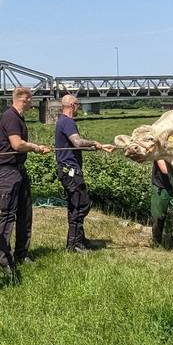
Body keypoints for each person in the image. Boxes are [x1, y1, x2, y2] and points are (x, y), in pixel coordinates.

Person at [0, 87, 52, 278]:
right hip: (7, 171)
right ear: (23, 99)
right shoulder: (10, 117)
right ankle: (4, 259)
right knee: (8, 216)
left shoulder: (18, 117)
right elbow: (17, 144)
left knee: (25, 214)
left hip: (19, 170)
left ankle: (21, 254)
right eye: (30, 99)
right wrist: (36, 147)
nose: (32, 103)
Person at [54, 94, 115, 253]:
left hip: (68, 171)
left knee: (77, 204)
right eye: (78, 105)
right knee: (81, 205)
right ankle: (74, 245)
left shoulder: (62, 121)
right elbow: (78, 142)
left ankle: (78, 240)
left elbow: (76, 146)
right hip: (71, 172)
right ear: (72, 105)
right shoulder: (67, 122)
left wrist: (100, 147)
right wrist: (94, 142)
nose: (79, 107)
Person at [150, 160, 173, 248]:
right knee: (159, 217)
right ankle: (156, 243)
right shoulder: (159, 153)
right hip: (160, 187)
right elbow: (165, 170)